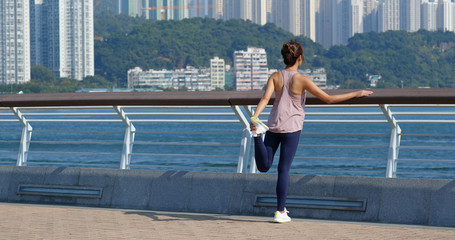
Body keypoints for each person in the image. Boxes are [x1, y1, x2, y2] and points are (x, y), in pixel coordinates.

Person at [250, 40, 373, 223]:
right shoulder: (302, 80)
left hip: (274, 125)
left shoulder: (275, 76)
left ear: (285, 58)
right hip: (292, 129)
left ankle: (257, 135)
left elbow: (266, 98)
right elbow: (329, 99)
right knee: (283, 169)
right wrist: (357, 93)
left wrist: (255, 117)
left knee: (263, 166)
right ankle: (280, 211)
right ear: (300, 58)